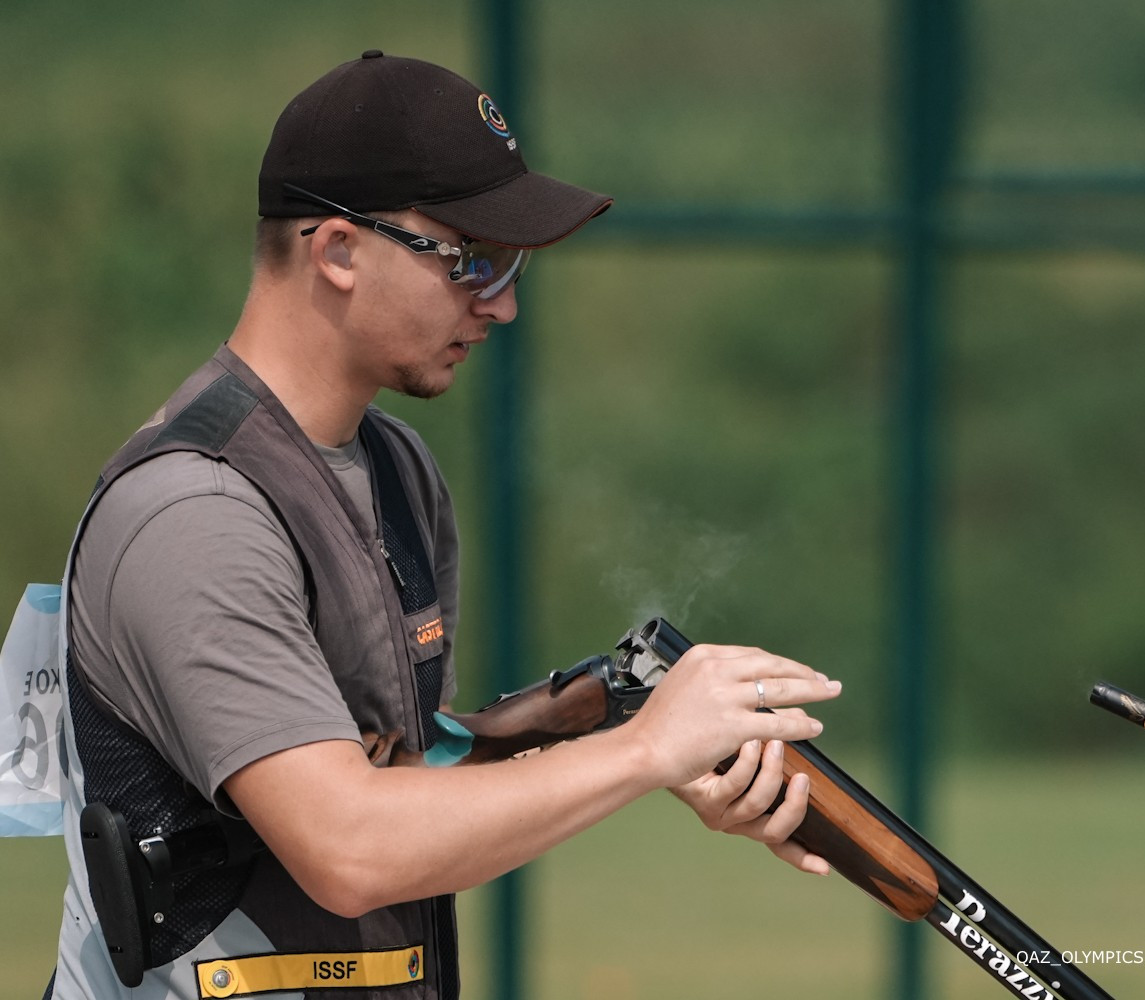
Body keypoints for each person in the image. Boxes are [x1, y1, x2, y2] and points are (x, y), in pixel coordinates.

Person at [49, 51, 840, 1000]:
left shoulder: (394, 467)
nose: (502, 302)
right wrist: (640, 751)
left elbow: (402, 762)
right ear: (339, 251)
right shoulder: (194, 513)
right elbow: (349, 844)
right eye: (471, 259)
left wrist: (603, 712)